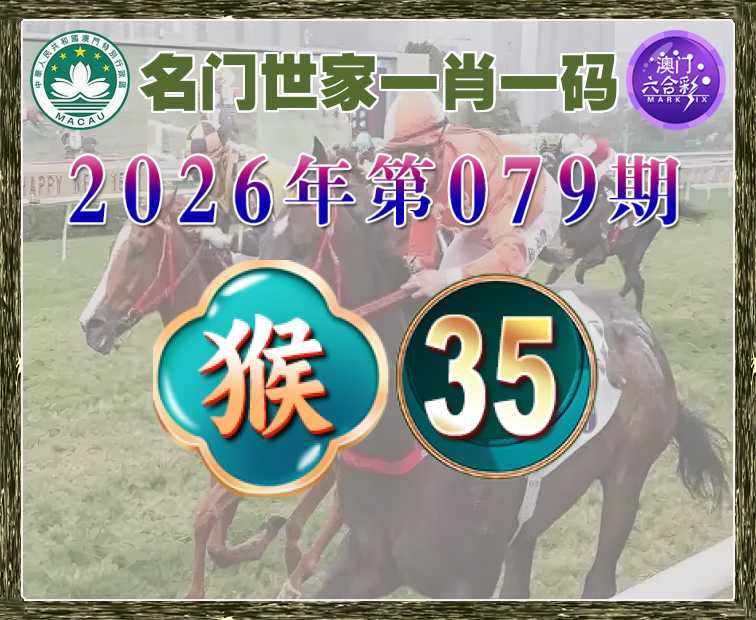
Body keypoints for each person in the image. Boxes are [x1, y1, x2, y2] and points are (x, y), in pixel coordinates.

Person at [379, 92, 563, 298]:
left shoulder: (480, 170)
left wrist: (444, 279)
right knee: (446, 293)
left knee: (475, 289)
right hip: (485, 219)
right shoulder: (420, 178)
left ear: (435, 151)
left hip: (534, 206)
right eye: (396, 159)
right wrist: (419, 270)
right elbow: (421, 254)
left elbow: (512, 257)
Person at [184, 120, 289, 256]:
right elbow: (220, 216)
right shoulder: (225, 175)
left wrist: (225, 240)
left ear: (222, 160)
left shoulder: (247, 182)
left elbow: (266, 242)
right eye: (195, 173)